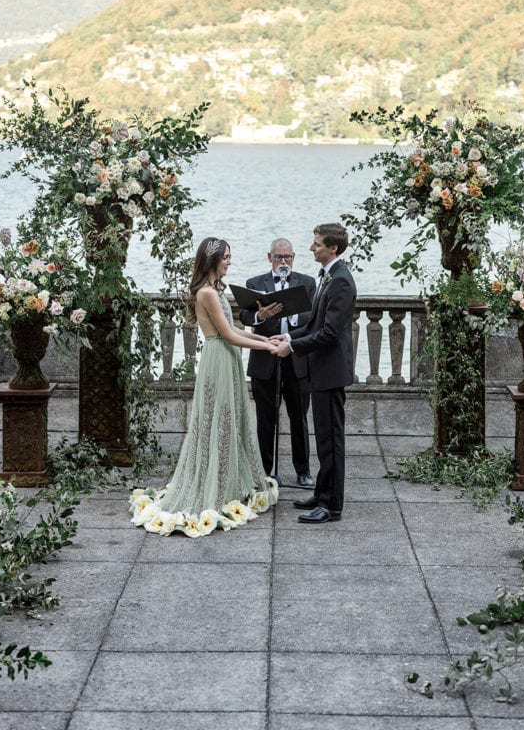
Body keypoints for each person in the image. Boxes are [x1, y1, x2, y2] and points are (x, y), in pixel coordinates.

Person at [129, 237, 279, 538]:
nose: (229, 262)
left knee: (231, 417)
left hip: (226, 356)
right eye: (225, 257)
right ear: (211, 260)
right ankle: (215, 486)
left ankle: (228, 481)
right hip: (219, 357)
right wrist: (267, 349)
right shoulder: (207, 292)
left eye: (229, 257)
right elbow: (228, 336)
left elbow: (235, 329)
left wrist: (266, 339)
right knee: (218, 420)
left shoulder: (215, 290)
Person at [273, 222, 357, 525]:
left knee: (331, 439)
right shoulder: (329, 276)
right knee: (322, 437)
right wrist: (289, 337)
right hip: (320, 370)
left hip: (330, 372)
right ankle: (322, 493)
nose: (312, 248)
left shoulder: (341, 281)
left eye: (317, 244)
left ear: (332, 248)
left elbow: (330, 333)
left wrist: (292, 348)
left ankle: (332, 505)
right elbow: (314, 325)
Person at [238, 237, 316, 489]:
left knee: (299, 417)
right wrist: (261, 315)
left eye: (288, 257)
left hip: (297, 359)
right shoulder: (255, 283)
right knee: (265, 418)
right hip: (265, 358)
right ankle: (266, 470)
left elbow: (313, 318)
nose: (284, 262)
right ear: (269, 258)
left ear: (294, 258)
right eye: (279, 257)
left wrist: (292, 312)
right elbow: (245, 315)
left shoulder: (307, 282)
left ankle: (303, 470)